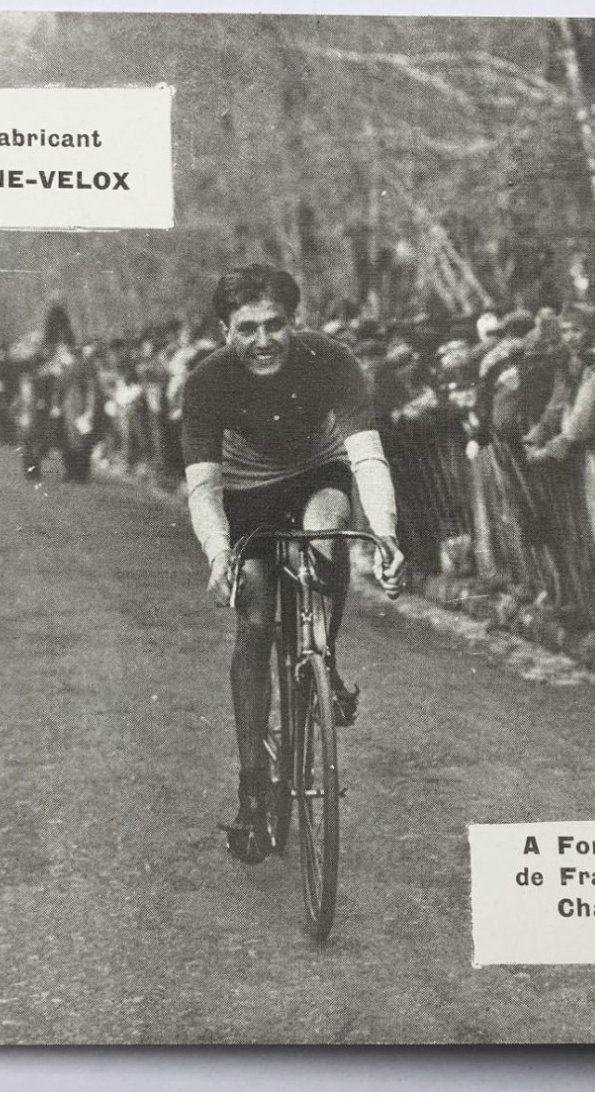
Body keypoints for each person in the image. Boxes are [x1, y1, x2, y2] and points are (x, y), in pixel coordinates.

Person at [181, 265, 405, 863]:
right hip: (245, 488)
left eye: (275, 325)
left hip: (316, 473)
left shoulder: (330, 359)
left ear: (294, 322)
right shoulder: (206, 381)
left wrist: (384, 534)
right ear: (225, 330)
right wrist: (218, 553)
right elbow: (202, 488)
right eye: (246, 329)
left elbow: (367, 456)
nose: (262, 341)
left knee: (326, 532)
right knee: (254, 610)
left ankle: (321, 657)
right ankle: (253, 786)